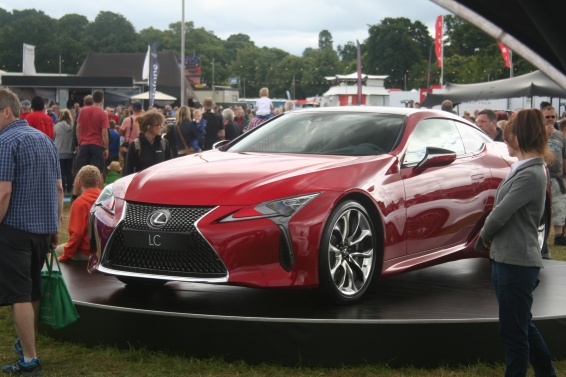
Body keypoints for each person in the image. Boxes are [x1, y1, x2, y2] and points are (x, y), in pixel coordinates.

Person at [479, 109, 556, 377]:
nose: (505, 140)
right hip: (508, 260)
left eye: (509, 136)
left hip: (516, 263)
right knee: (521, 326)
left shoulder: (530, 173)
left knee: (514, 335)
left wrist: (485, 235)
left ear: (519, 138)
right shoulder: (525, 169)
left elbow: (500, 214)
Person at [0, 87, 63, 376]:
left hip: (14, 228)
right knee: (32, 289)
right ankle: (27, 343)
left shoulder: (4, 141)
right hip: (42, 228)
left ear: (6, 112)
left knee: (19, 294)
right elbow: (59, 188)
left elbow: (3, 192)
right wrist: (54, 227)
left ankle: (29, 359)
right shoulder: (46, 140)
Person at [56, 165, 101, 262]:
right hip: (104, 251)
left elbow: (77, 234)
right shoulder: (107, 199)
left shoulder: (80, 203)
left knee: (56, 251)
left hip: (86, 251)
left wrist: (66, 255)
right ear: (99, 182)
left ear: (79, 183)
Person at [123, 110, 172, 176]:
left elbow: (170, 167)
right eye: (159, 125)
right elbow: (127, 172)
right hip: (142, 184)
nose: (162, 127)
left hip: (160, 183)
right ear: (149, 127)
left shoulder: (164, 143)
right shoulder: (135, 145)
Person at [543, 106, 566, 246]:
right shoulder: (537, 133)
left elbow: (564, 156)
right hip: (542, 176)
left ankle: (558, 236)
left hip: (557, 176)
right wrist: (544, 135)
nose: (550, 119)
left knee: (559, 206)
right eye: (547, 117)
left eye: (553, 116)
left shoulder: (560, 135)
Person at [75, 90, 109, 176]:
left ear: (93, 99)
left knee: (80, 172)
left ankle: (77, 189)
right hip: (97, 144)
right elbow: (104, 134)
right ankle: (99, 190)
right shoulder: (103, 114)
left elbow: (78, 128)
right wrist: (106, 148)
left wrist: (79, 142)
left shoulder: (83, 110)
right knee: (99, 171)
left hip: (84, 144)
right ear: (102, 100)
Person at [54, 109, 75, 197]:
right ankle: (69, 190)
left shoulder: (56, 126)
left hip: (59, 150)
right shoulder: (72, 126)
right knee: (69, 172)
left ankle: (62, 189)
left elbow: (53, 136)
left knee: (61, 172)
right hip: (70, 151)